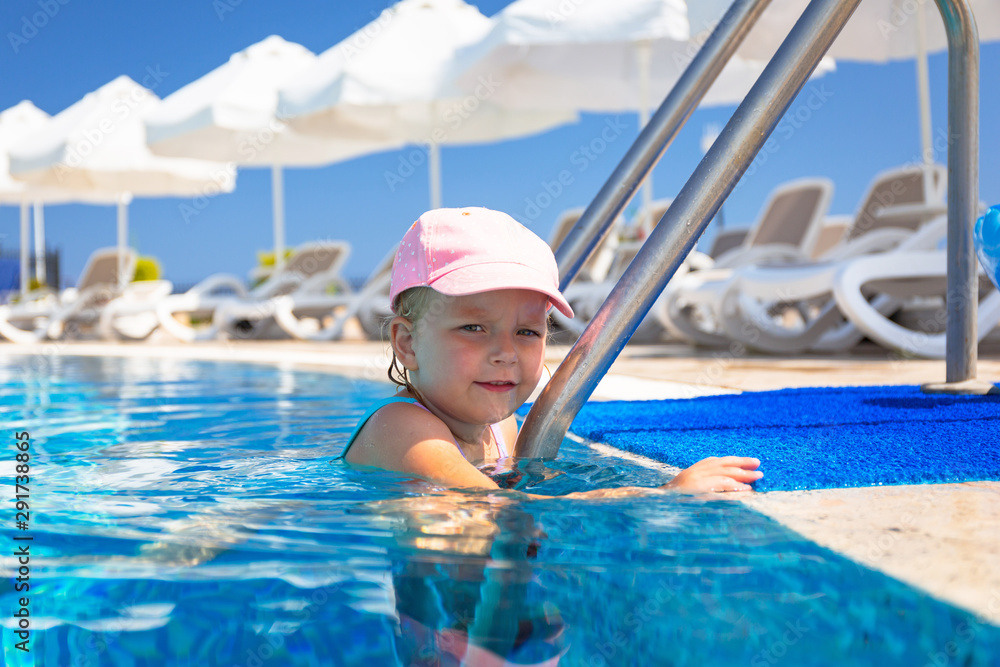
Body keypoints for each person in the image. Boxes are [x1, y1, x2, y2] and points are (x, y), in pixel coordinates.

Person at [341, 206, 762, 496]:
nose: (505, 352)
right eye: (474, 327)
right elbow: (497, 510)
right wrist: (661, 494)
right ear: (407, 343)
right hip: (437, 619)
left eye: (527, 331)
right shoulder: (402, 428)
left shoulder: (501, 430)